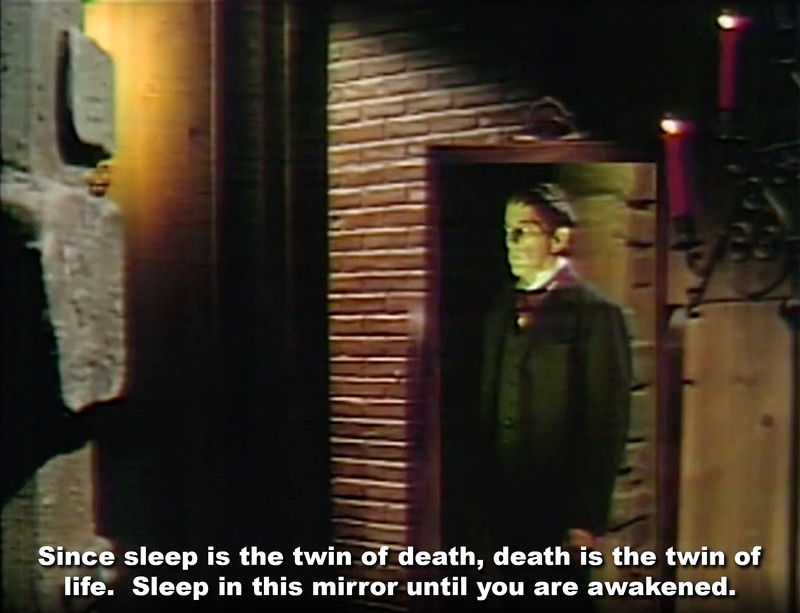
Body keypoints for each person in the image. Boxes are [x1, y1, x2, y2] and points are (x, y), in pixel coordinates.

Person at [474, 183, 631, 609]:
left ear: (559, 238)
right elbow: (489, 403)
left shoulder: (596, 315)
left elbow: (606, 422)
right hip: (506, 505)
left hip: (559, 511)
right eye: (507, 232)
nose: (511, 244)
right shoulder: (499, 310)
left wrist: (586, 519)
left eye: (523, 231)